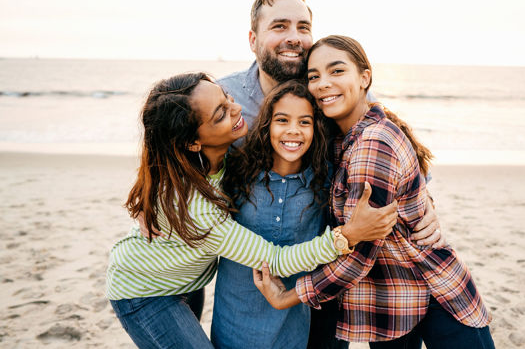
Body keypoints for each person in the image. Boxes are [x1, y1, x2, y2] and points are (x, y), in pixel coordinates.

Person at [215, 0, 446, 348]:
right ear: (252, 38)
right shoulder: (226, 98)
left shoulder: (334, 94)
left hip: (328, 271)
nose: (294, 37)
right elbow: (179, 149)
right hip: (246, 274)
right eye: (279, 26)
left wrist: (426, 207)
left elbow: (400, 162)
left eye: (303, 27)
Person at [106, 72, 398, 348]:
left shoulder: (220, 157)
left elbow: (159, 162)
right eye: (220, 114)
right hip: (144, 292)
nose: (235, 110)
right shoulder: (198, 209)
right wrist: (346, 236)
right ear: (192, 142)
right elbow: (274, 261)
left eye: (227, 98)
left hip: (185, 279)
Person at [254, 36, 495, 349]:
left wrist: (288, 296)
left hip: (434, 291)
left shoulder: (373, 144)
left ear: (364, 78)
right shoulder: (340, 139)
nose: (323, 83)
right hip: (388, 303)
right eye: (314, 76)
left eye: (337, 71)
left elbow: (359, 253)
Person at [212, 80, 335, 348]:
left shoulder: (325, 183)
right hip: (233, 319)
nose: (293, 131)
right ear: (267, 125)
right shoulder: (237, 172)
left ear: (316, 129)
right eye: (282, 120)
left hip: (290, 326)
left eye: (305, 122)